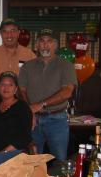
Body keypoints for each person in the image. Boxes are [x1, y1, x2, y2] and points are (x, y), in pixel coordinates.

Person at [19, 29, 77, 161]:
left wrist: (40, 105)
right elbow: (21, 90)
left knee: (59, 160)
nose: (45, 45)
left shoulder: (66, 66)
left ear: (55, 45)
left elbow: (67, 91)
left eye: (49, 41)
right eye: (41, 41)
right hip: (33, 121)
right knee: (32, 162)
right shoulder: (27, 66)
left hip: (57, 119)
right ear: (37, 45)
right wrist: (30, 111)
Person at [0, 18, 36, 98]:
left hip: (21, 102)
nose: (9, 35)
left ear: (18, 33)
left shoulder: (29, 55)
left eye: (13, 31)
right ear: (1, 34)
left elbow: (35, 81)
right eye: (5, 31)